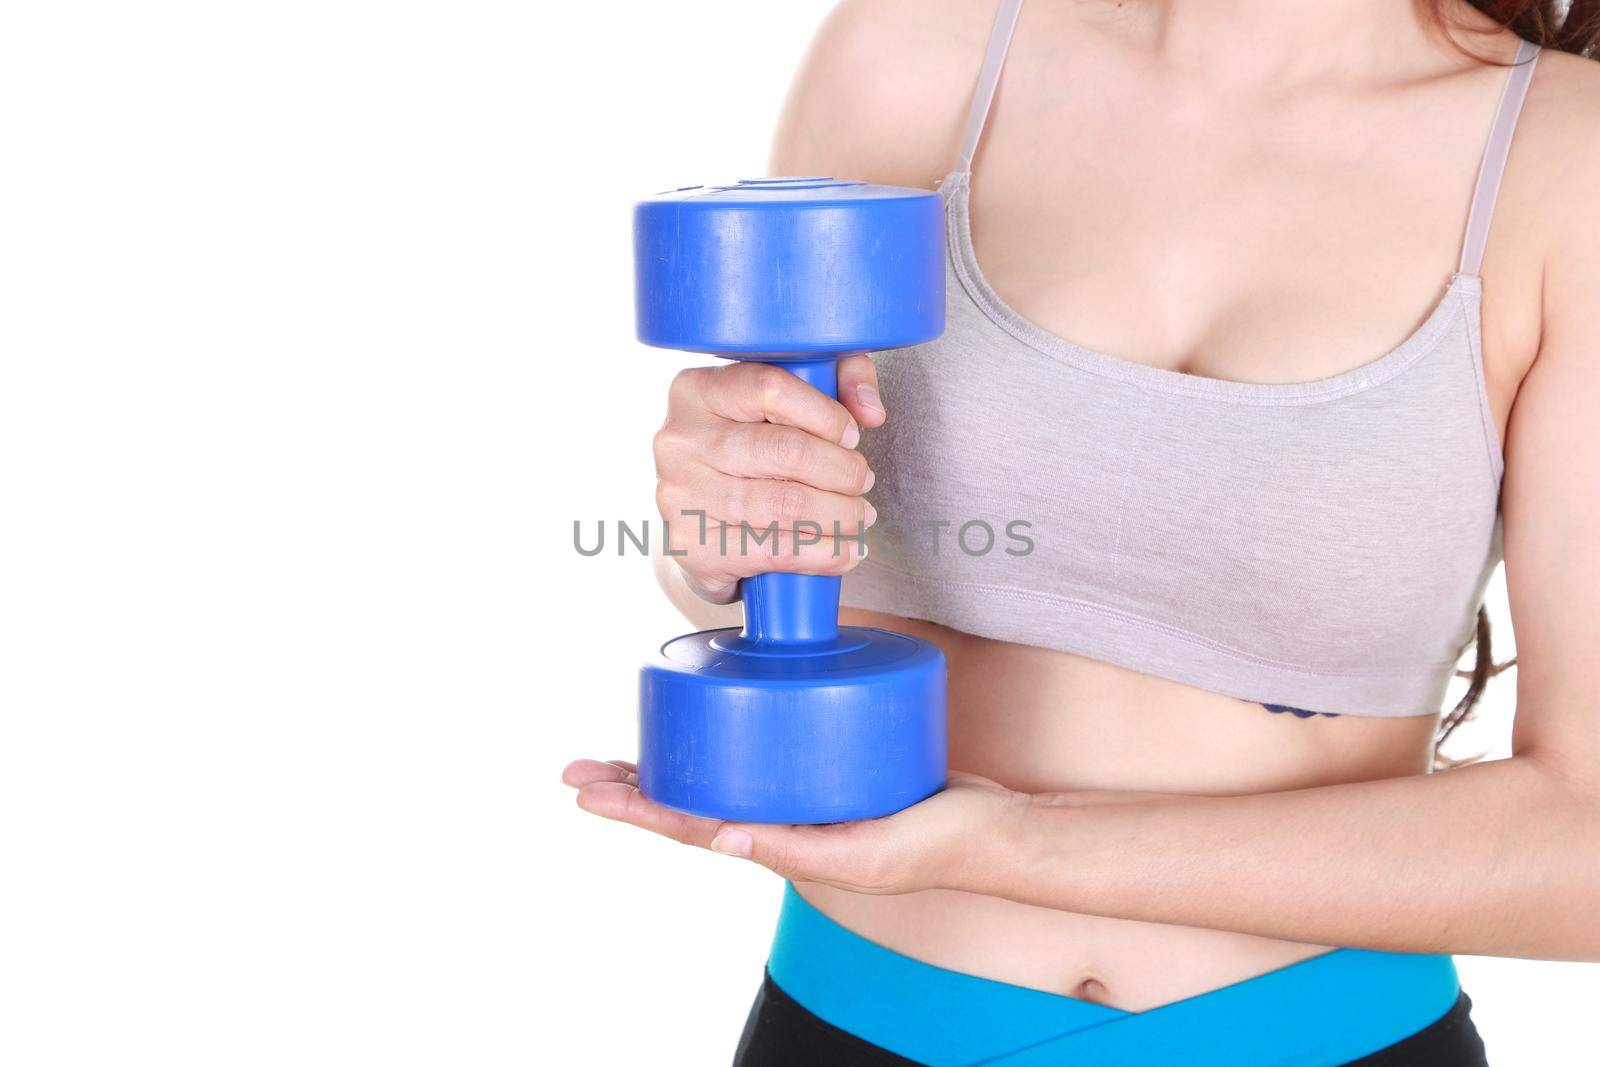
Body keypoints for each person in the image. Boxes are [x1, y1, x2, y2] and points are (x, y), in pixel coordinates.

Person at [564, 1, 1600, 1062]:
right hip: (857, 1019)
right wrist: (714, 539)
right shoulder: (910, 56)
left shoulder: (1567, 161)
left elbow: (1584, 846)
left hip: (1320, 1036)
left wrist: (1016, 844)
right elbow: (786, 568)